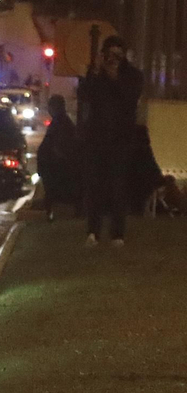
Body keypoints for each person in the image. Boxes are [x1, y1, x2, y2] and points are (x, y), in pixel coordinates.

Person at [78, 35, 143, 247]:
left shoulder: (132, 75)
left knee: (117, 187)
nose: (113, 59)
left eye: (118, 55)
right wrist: (96, 72)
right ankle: (93, 232)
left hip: (120, 140)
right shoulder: (96, 74)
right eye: (110, 54)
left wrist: (115, 77)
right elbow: (85, 96)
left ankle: (118, 234)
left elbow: (130, 99)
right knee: (94, 187)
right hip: (96, 140)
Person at [37, 94, 80, 221]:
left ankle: (53, 214)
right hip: (54, 166)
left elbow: (55, 145)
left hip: (55, 167)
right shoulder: (61, 122)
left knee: (54, 194)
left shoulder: (60, 123)